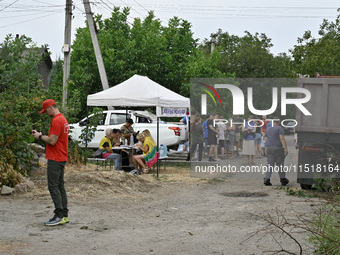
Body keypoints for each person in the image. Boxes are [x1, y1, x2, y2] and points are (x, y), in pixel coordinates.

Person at [32, 99, 70, 226]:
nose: (46, 114)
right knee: (60, 187)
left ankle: (58, 215)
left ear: (51, 108)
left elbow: (53, 141)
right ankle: (64, 215)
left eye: (46, 111)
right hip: (62, 156)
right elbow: (56, 139)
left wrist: (39, 136)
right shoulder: (63, 119)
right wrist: (43, 135)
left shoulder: (56, 120)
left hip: (55, 157)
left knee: (53, 187)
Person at [264, 118, 289, 186]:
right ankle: (283, 180)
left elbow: (266, 140)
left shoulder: (268, 129)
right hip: (278, 148)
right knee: (280, 164)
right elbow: (282, 138)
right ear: (279, 122)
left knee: (270, 164)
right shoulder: (279, 128)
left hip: (269, 148)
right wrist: (285, 148)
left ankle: (267, 179)